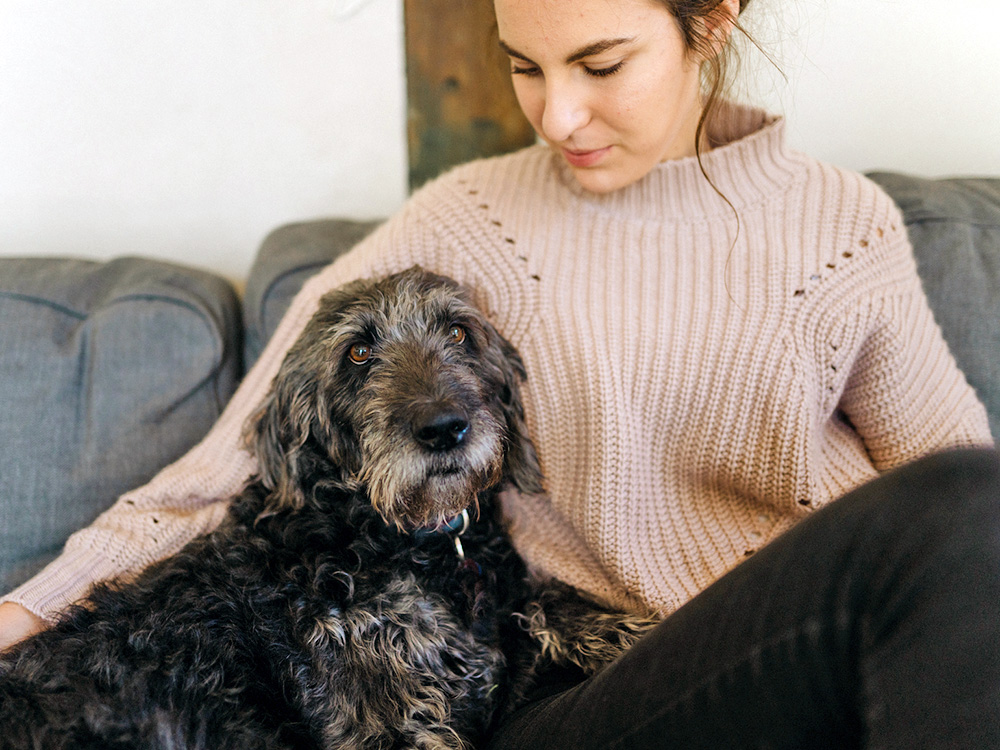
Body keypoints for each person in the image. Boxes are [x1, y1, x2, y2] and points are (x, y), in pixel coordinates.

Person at [3, 0, 999, 745]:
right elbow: (228, 468)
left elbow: (955, 495)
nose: (558, 114)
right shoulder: (473, 217)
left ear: (711, 21)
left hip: (816, 637)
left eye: (600, 63)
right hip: (596, 688)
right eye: (524, 67)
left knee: (967, 508)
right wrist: (27, 609)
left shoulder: (844, 226)